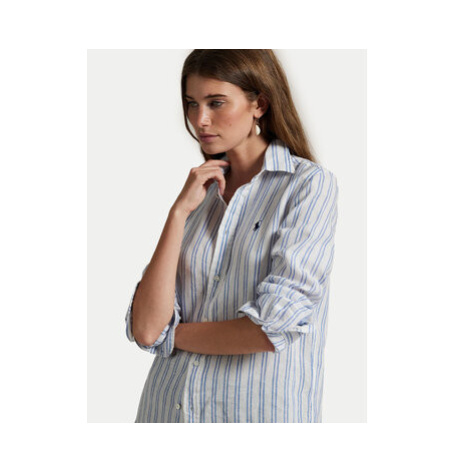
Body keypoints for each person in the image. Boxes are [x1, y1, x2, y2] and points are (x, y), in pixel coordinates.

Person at [125, 49, 339, 423]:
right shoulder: (198, 195)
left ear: (259, 105)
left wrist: (172, 336)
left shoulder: (307, 185)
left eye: (216, 102)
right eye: (192, 103)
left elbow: (271, 327)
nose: (200, 119)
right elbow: (145, 327)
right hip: (166, 413)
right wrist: (178, 214)